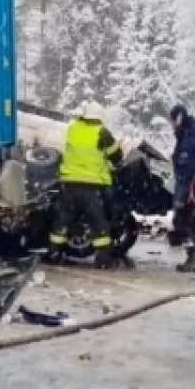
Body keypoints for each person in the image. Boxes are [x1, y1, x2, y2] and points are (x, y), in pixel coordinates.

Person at [49, 100, 125, 269]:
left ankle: (54, 254)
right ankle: (103, 260)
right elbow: (116, 156)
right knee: (99, 224)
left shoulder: (73, 128)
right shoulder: (102, 133)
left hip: (68, 183)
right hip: (90, 186)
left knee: (62, 221)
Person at [169, 104, 195, 274]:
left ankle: (193, 258)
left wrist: (183, 195)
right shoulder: (191, 133)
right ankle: (193, 258)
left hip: (192, 185)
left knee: (183, 220)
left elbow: (188, 166)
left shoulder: (190, 137)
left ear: (179, 118)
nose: (171, 125)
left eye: (172, 121)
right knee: (189, 220)